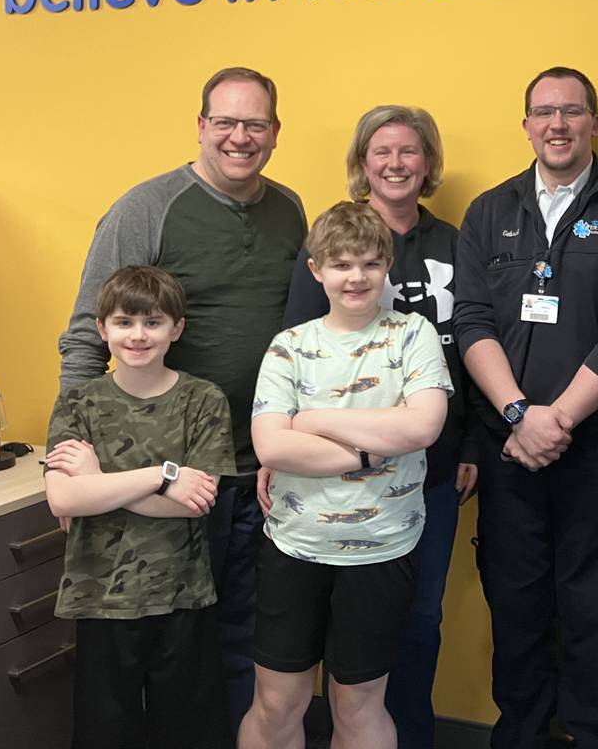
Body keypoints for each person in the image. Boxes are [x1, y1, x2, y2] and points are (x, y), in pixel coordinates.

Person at [57, 67, 308, 725]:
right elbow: (88, 336)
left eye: (254, 124)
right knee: (164, 649)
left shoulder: (290, 211)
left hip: (263, 469)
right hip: (165, 472)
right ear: (200, 127)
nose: (239, 137)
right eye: (224, 122)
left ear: (275, 133)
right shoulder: (147, 208)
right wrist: (71, 456)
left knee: (244, 640)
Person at [454, 66, 598, 749]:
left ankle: (595, 737)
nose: (557, 125)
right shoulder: (490, 211)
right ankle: (518, 736)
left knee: (594, 610)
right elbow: (473, 322)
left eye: (572, 112)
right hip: (509, 449)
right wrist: (521, 415)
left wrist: (558, 419)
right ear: (526, 125)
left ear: (593, 124)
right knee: (515, 609)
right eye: (544, 112)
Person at [273, 104, 479, 749]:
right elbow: (293, 361)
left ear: (428, 163)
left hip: (432, 471)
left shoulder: (456, 243)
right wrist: (281, 452)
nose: (395, 164)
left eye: (409, 151)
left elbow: (472, 343)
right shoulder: (329, 245)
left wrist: (470, 442)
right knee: (340, 636)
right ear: (363, 164)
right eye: (381, 152)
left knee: (418, 620)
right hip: (329, 480)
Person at [241, 201, 452, 749]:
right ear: (317, 270)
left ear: (386, 267)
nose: (355, 277)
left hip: (381, 553)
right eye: (340, 264)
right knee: (276, 703)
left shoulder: (414, 336)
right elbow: (270, 444)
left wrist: (312, 421)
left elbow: (423, 426)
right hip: (294, 548)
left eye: (368, 263)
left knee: (358, 709)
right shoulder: (290, 347)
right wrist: (365, 452)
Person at [45, 265, 236, 749]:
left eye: (152, 322)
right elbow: (65, 497)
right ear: (102, 329)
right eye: (125, 322)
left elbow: (197, 502)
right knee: (104, 731)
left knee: (187, 730)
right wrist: (162, 476)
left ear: (177, 328)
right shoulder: (78, 404)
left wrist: (99, 483)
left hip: (181, 594)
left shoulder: (203, 401)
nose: (138, 335)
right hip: (101, 596)